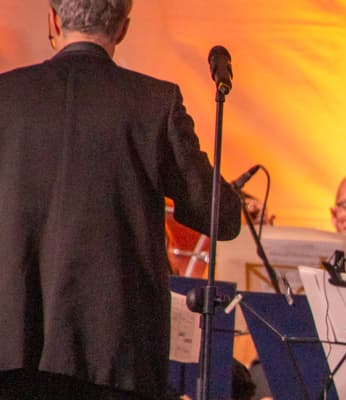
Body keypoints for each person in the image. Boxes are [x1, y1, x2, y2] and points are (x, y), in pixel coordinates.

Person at [0, 0, 243, 398]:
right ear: (123, 28)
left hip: (12, 350)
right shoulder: (154, 103)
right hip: (115, 358)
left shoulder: (5, 97)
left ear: (54, 21)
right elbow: (221, 218)